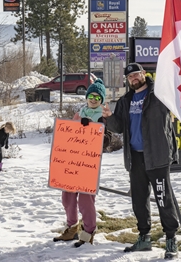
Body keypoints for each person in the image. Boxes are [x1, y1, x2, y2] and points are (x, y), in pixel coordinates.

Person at [102, 63, 179, 259]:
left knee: (164, 199)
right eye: (129, 77)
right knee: (139, 200)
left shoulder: (159, 94)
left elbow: (176, 100)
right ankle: (144, 237)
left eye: (136, 75)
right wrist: (109, 118)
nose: (133, 79)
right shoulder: (126, 100)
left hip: (157, 156)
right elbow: (119, 127)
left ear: (144, 74)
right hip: (135, 157)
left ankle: (171, 239)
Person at [53, 79, 112, 247]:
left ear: (101, 100)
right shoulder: (79, 113)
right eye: (91, 95)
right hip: (72, 163)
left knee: (85, 201)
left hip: (89, 165)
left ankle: (89, 232)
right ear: (86, 97)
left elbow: (107, 139)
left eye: (97, 97)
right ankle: (71, 228)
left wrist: (94, 128)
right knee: (67, 197)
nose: (93, 99)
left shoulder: (103, 116)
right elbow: (69, 135)